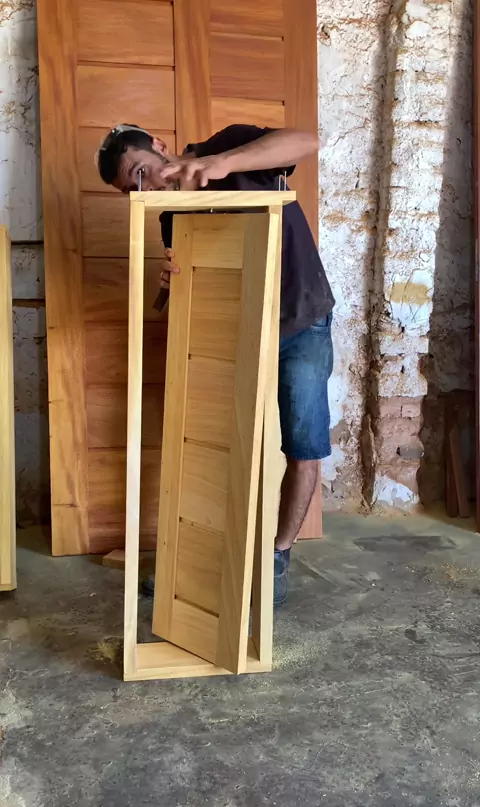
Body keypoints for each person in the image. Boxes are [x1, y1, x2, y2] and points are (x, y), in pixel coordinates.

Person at [97, 123, 335, 607]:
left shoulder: (230, 144)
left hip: (299, 318)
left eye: (140, 173)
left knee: (303, 444)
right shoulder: (172, 216)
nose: (143, 191)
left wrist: (220, 163)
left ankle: (276, 557)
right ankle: (201, 559)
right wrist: (172, 285)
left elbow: (307, 142)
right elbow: (194, 293)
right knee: (212, 445)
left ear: (159, 147)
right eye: (130, 190)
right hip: (235, 332)